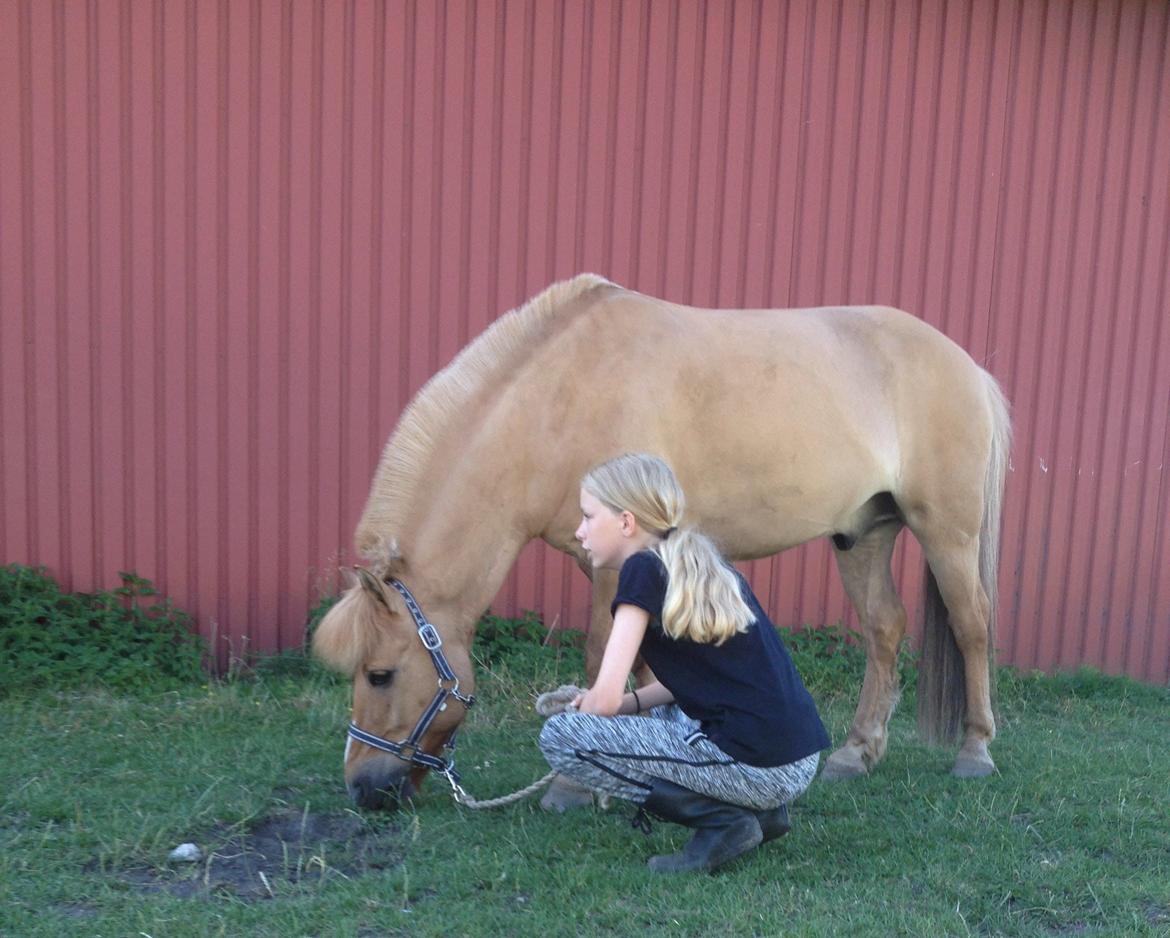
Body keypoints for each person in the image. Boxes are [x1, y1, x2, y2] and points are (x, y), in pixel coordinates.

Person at [539, 453, 831, 873]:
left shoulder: (641, 569)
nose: (579, 531)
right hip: (795, 760)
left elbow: (601, 701)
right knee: (660, 709)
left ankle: (726, 821)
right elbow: (698, 681)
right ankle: (763, 813)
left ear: (626, 522)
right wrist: (626, 706)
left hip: (759, 766)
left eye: (588, 516)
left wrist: (597, 704)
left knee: (563, 736)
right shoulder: (697, 562)